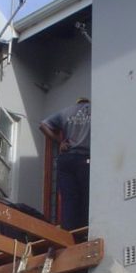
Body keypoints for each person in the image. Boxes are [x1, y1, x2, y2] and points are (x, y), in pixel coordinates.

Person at [39, 97, 91, 231]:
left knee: (68, 198)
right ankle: (84, 231)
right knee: (86, 196)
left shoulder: (66, 112)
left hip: (67, 159)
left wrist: (59, 141)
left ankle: (68, 231)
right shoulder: (94, 111)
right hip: (85, 159)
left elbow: (43, 125)